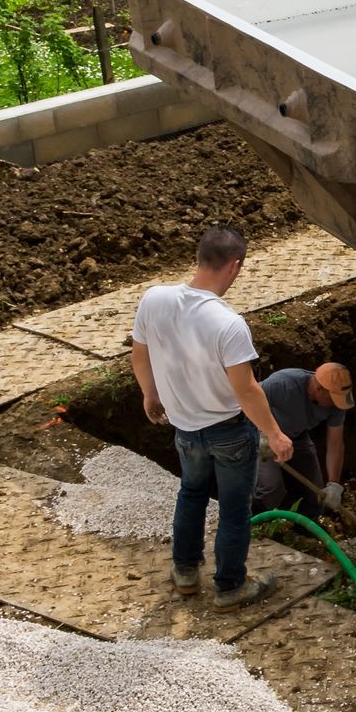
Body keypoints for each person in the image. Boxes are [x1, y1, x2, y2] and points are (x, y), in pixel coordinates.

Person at [130, 225, 294, 609]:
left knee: (191, 494)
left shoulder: (154, 299)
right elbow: (247, 389)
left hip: (185, 429)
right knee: (235, 510)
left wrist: (150, 395)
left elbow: (140, 353)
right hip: (229, 433)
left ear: (200, 257)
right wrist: (274, 433)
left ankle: (186, 573)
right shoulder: (229, 325)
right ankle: (229, 587)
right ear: (235, 266)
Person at [254, 362, 354, 513]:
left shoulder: (337, 405)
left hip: (297, 436)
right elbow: (246, 400)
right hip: (265, 437)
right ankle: (250, 521)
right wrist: (260, 434)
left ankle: (305, 530)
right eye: (333, 399)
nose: (336, 404)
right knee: (272, 490)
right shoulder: (283, 383)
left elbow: (335, 443)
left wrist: (334, 484)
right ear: (319, 389)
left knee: (316, 497)